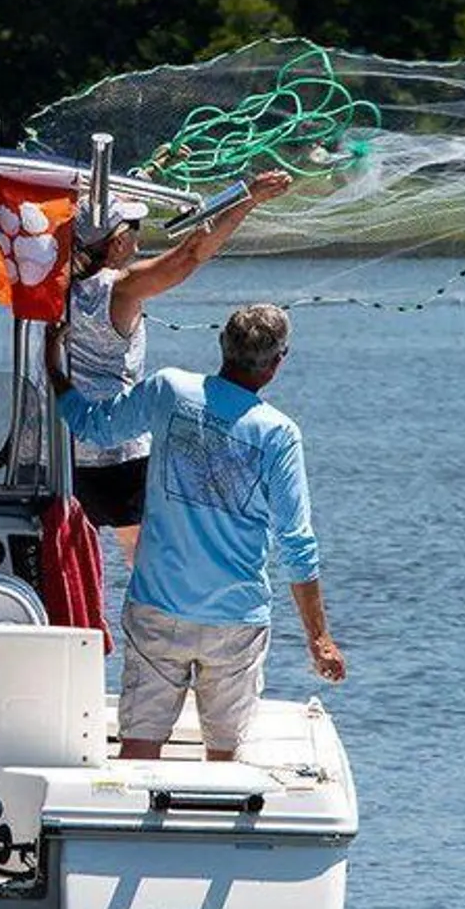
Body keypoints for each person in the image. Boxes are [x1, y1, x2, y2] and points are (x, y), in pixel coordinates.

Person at [46, 303, 345, 761]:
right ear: (277, 363)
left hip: (158, 608)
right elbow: (297, 543)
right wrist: (319, 640)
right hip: (236, 620)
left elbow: (95, 428)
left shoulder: (170, 388)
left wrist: (55, 369)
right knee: (224, 757)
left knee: (139, 749)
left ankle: (127, 829)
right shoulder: (279, 433)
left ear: (222, 345)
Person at [52, 168, 294, 563]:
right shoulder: (121, 287)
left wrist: (143, 177)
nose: (138, 232)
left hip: (61, 447)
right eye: (132, 226)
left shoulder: (53, 284)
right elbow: (190, 254)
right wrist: (246, 197)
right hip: (118, 447)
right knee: (149, 561)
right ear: (114, 245)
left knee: (75, 558)